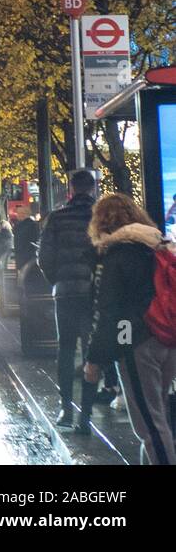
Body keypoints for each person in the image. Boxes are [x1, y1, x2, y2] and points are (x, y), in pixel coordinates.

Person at [84, 193, 176, 463]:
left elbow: (111, 311)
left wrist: (98, 357)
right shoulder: (156, 246)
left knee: (148, 424)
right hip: (167, 337)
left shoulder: (116, 255)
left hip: (139, 342)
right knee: (158, 416)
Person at [37, 168, 99, 429]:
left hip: (65, 293)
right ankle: (86, 414)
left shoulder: (57, 218)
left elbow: (44, 258)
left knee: (65, 350)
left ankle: (66, 410)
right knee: (91, 352)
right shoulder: (101, 216)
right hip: (93, 294)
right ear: (93, 188)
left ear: (71, 189)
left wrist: (58, 281)